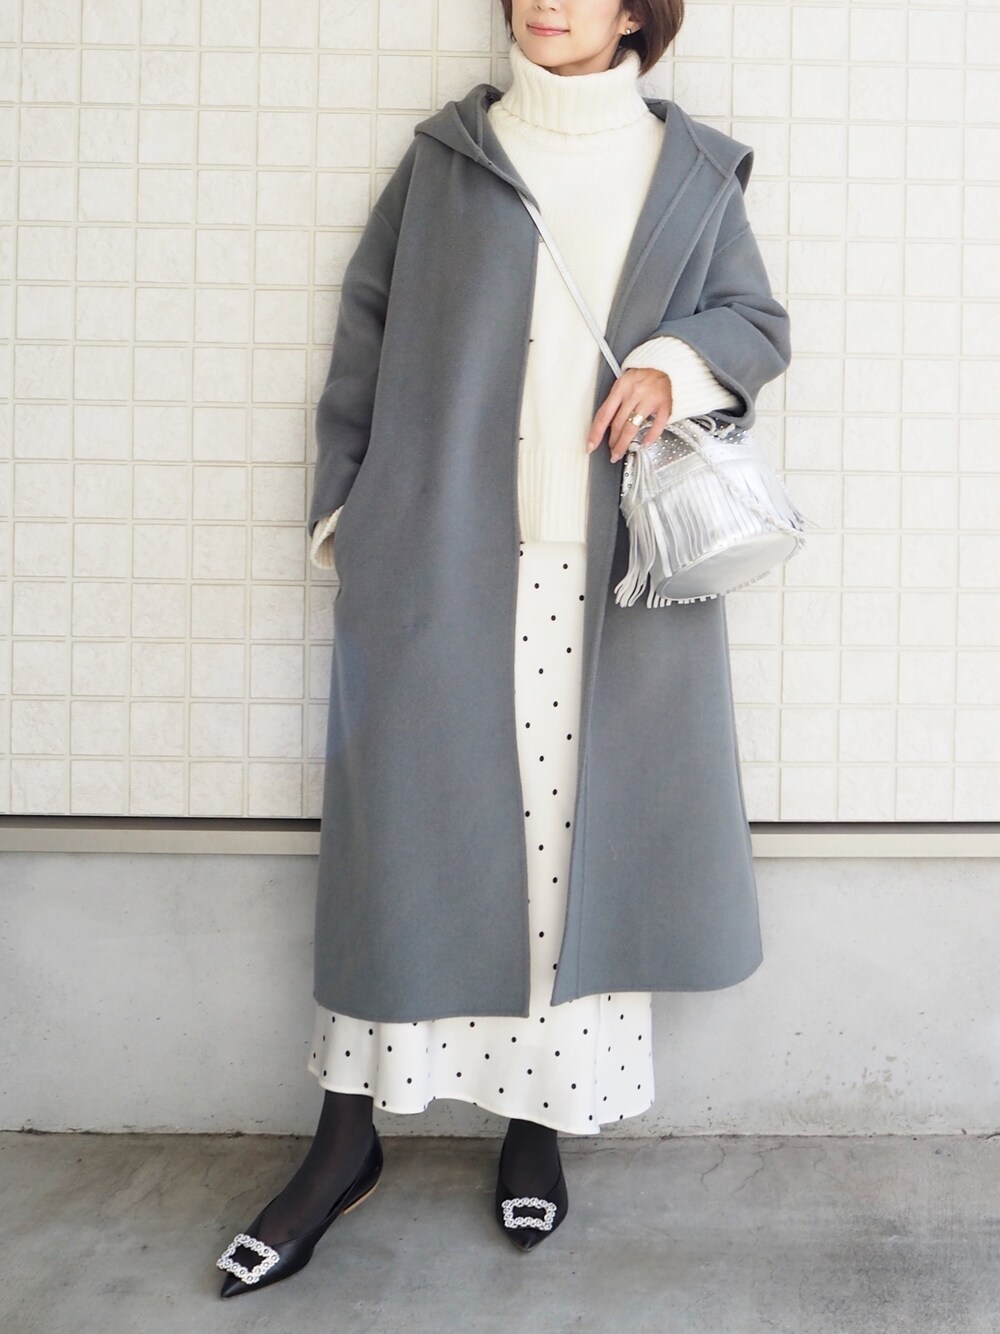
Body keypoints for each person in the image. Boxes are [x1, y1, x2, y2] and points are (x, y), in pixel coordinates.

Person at [214, 0, 791, 1297]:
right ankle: (344, 1139)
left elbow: (755, 321)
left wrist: (671, 361)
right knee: (400, 850)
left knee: (571, 858)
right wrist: (350, 521)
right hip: (439, 566)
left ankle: (540, 1122)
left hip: (611, 583)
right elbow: (364, 337)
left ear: (636, 12)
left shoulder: (691, 170)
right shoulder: (448, 157)